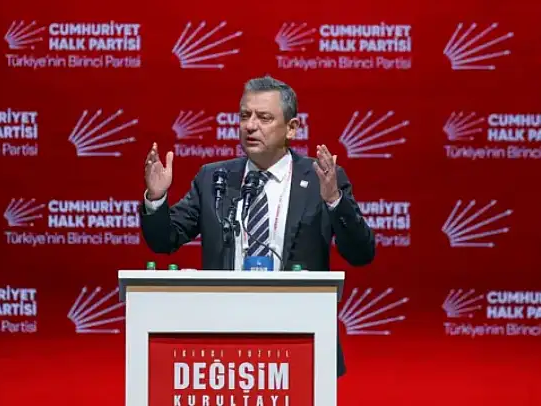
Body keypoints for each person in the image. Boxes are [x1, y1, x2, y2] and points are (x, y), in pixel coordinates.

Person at [141, 75, 376, 377]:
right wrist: (156, 199)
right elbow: (164, 240)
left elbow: (361, 253)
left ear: (291, 128)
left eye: (264, 118)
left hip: (300, 337)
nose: (250, 126)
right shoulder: (213, 178)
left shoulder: (321, 178)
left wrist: (333, 200)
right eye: (244, 116)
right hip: (223, 340)